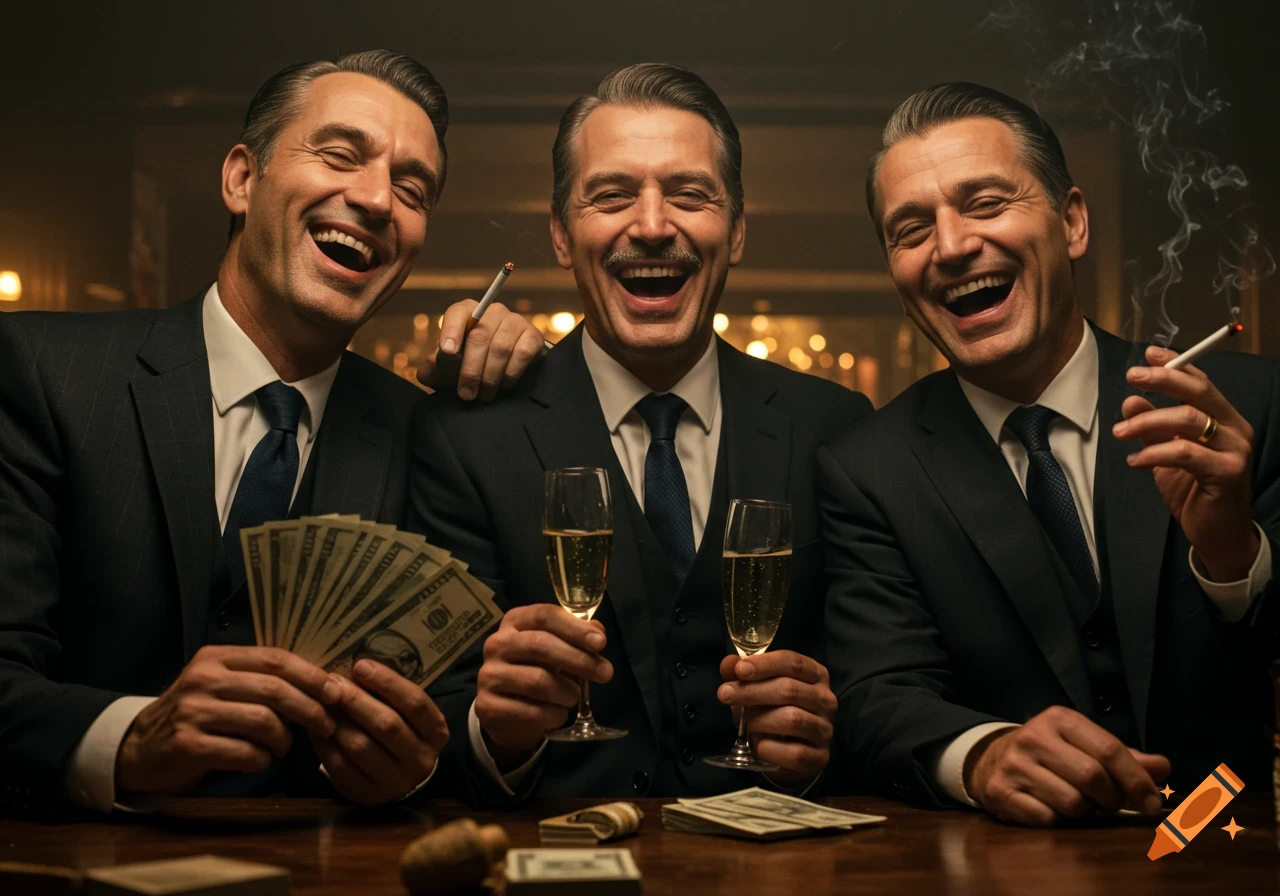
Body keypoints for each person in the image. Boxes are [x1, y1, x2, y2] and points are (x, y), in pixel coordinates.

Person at [0, 50, 543, 819]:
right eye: (340, 155)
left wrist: (415, 770)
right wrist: (129, 740)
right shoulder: (44, 374)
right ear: (241, 180)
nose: (379, 198)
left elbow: (451, 725)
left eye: (413, 188)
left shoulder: (430, 434)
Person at [820, 82, 1279, 826]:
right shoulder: (868, 469)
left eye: (985, 203)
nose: (953, 245)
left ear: (1071, 222)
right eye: (911, 230)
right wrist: (980, 753)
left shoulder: (1244, 410)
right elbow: (876, 694)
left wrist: (1233, 555)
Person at [411, 63, 871, 802]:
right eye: (612, 196)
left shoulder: (834, 429)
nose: (653, 227)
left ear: (739, 230)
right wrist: (495, 732)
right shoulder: (466, 439)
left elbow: (880, 697)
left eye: (689, 195)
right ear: (562, 235)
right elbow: (428, 725)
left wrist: (821, 748)